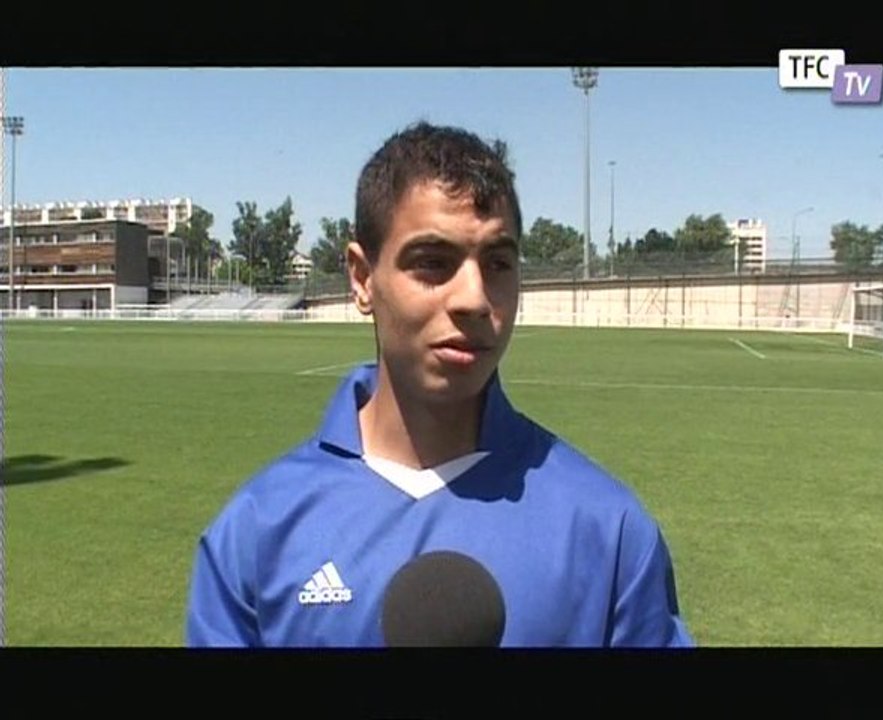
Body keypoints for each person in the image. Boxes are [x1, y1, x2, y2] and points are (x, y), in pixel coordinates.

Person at [186, 121, 694, 647]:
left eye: (498, 263)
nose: (474, 298)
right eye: (433, 263)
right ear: (362, 278)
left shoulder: (607, 529)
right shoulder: (257, 530)